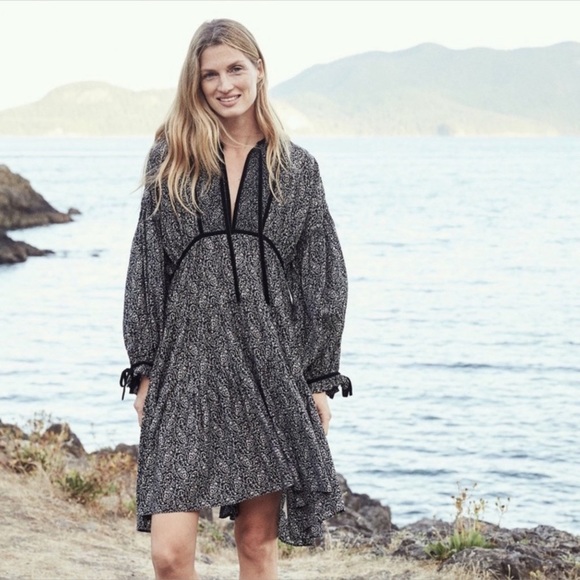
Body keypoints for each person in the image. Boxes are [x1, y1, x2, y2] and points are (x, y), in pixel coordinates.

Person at [120, 18, 352, 580]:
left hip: (267, 370)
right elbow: (147, 267)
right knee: (170, 556)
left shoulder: (297, 169)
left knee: (256, 544)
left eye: (235, 69)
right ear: (195, 83)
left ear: (259, 70)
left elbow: (322, 278)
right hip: (185, 368)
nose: (224, 85)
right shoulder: (171, 158)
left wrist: (318, 380)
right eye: (210, 75)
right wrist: (144, 369)